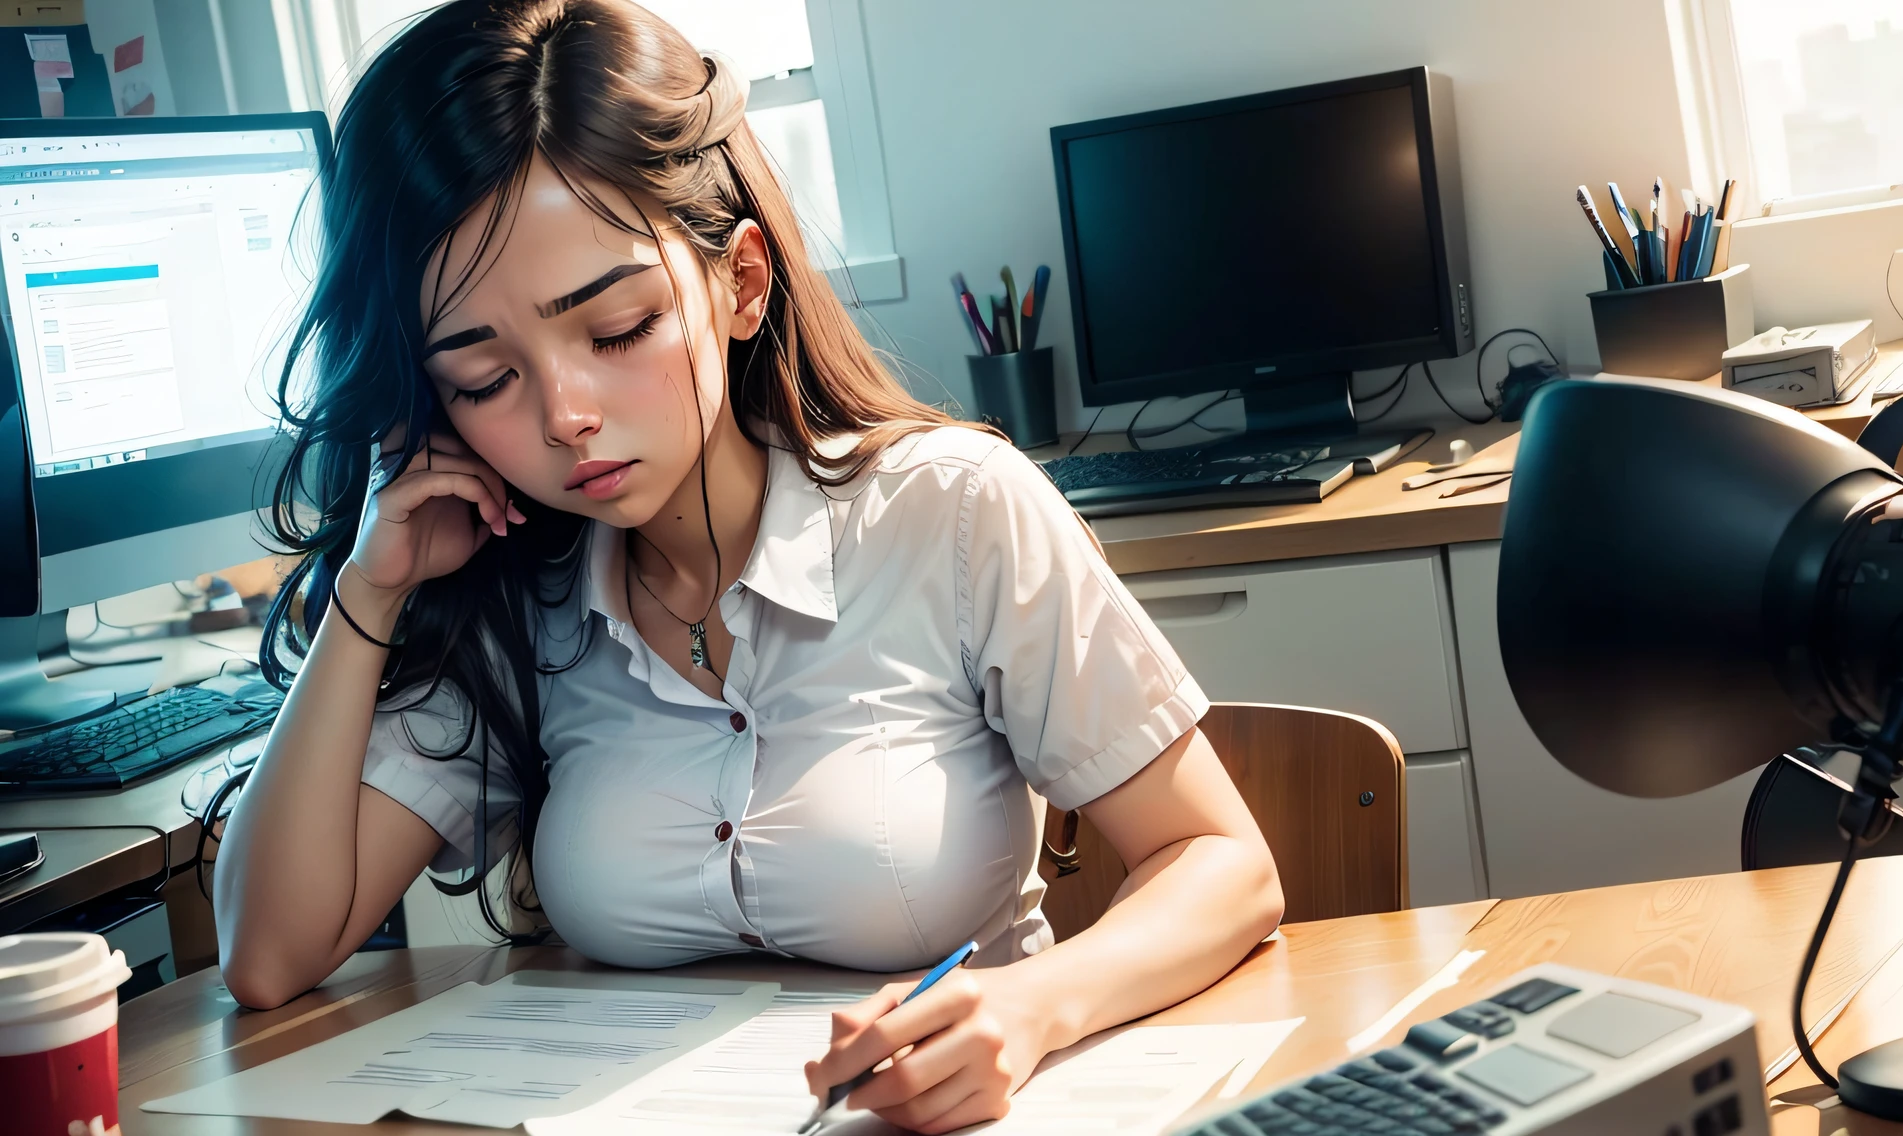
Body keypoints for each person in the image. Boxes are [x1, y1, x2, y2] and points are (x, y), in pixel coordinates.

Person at [211, 1, 1283, 1130]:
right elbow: (270, 957)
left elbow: (1221, 860)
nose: (565, 415)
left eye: (615, 328)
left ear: (740, 282)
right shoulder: (505, 591)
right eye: (483, 379)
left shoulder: (951, 513)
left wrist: (1029, 1008)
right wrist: (369, 592)